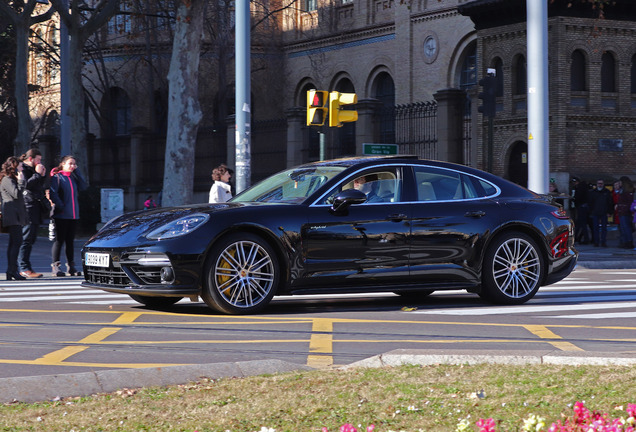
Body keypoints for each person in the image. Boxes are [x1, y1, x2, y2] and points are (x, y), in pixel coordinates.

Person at [49, 155, 87, 277]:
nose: (72, 166)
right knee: (59, 241)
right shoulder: (57, 178)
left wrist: (78, 172)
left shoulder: (73, 178)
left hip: (73, 215)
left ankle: (71, 266)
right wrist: (61, 206)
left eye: (74, 164)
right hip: (61, 215)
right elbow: (53, 194)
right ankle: (56, 266)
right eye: (70, 163)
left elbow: (84, 186)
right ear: (63, 164)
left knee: (70, 242)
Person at [18, 149, 47, 278]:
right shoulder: (22, 169)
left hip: (35, 207)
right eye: (38, 160)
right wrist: (38, 175)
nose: (39, 162)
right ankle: (24, 267)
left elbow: (37, 186)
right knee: (26, 238)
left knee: (31, 238)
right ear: (31, 159)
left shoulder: (32, 170)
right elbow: (26, 185)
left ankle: (26, 267)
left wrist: (41, 175)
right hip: (27, 206)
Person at [0, 157, 28, 280]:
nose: (22, 168)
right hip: (12, 215)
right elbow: (16, 194)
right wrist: (21, 181)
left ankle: (11, 270)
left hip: (16, 214)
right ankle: (12, 270)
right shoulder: (7, 179)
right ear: (14, 167)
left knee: (15, 243)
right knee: (16, 243)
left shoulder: (12, 179)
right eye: (20, 166)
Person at [588, 179, 613, 247]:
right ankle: (596, 241)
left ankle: (603, 241)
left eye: (601, 183)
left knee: (604, 228)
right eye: (599, 183)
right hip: (595, 212)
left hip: (604, 212)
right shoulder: (593, 192)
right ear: (596, 184)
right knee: (595, 228)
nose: (600, 185)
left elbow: (610, 203)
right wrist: (591, 211)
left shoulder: (607, 192)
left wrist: (609, 212)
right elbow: (590, 203)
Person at [617, 176, 634, 249]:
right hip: (621, 211)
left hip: (625, 212)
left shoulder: (628, 191)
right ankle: (625, 242)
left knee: (626, 228)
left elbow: (629, 202)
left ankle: (629, 242)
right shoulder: (622, 191)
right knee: (623, 228)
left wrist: (623, 208)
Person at [571, 177, 590, 244]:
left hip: (581, 207)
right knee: (581, 223)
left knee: (582, 223)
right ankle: (578, 237)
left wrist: (574, 199)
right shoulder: (583, 187)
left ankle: (585, 238)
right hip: (584, 207)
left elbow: (578, 197)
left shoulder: (579, 188)